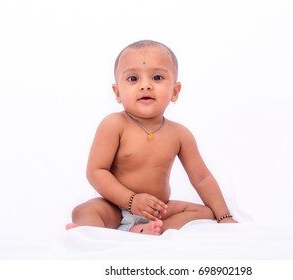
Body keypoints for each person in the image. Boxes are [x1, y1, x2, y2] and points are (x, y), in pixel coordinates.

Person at [66, 40, 238, 235]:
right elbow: (96, 171)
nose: (145, 86)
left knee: (205, 213)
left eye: (157, 77)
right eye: (133, 79)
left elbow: (202, 179)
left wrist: (224, 216)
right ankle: (89, 232)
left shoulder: (180, 134)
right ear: (117, 93)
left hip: (158, 210)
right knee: (85, 210)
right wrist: (131, 200)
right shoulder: (114, 124)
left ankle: (148, 230)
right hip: (114, 207)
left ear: (175, 91)